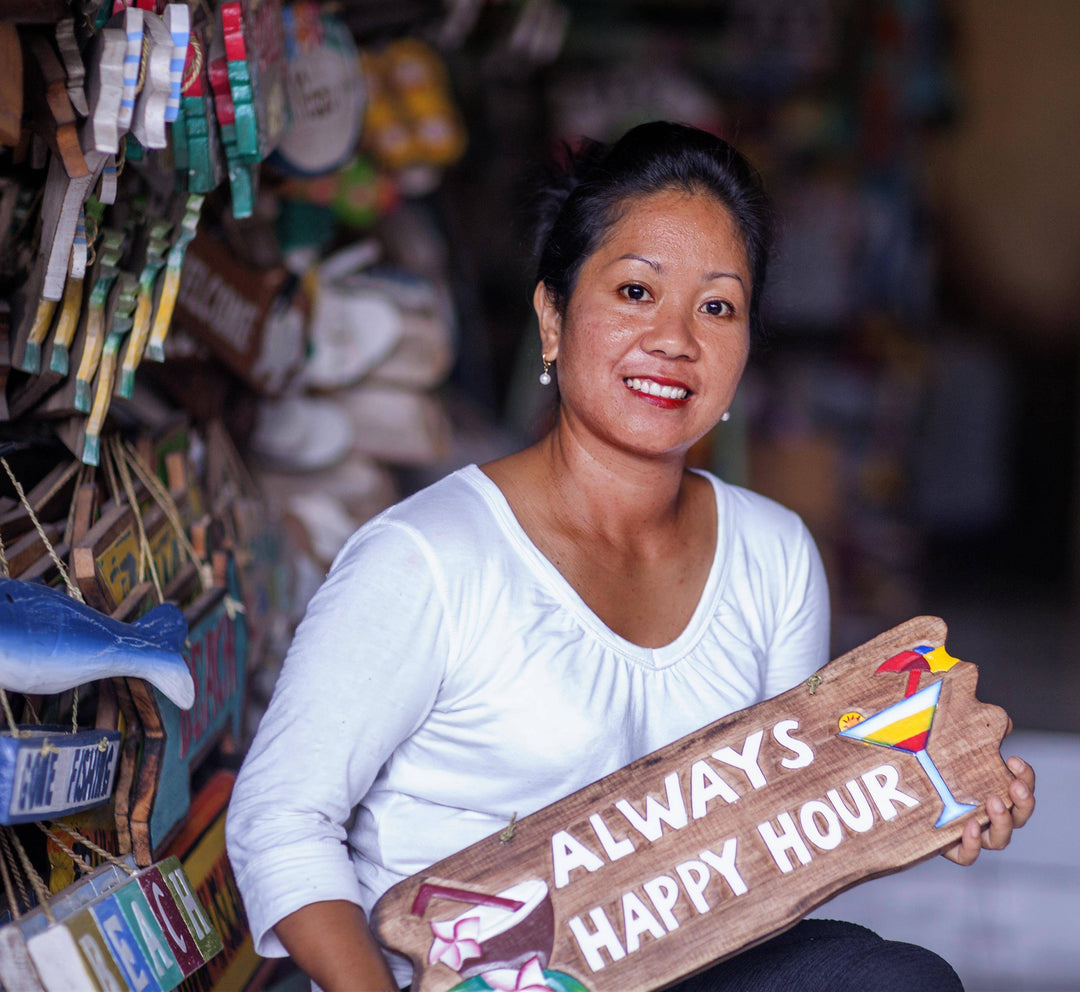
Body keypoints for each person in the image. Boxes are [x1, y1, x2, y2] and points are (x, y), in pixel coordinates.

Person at [226, 121, 1036, 992]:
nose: (676, 338)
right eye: (636, 291)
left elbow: (774, 841)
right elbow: (279, 818)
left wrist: (923, 797)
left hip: (683, 970)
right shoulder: (427, 557)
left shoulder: (774, 553)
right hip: (466, 980)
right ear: (552, 314)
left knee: (898, 982)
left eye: (717, 306)